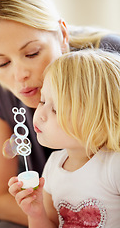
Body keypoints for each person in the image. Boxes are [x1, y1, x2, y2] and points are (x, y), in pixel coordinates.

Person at [0, 0, 120, 227]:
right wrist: (44, 214)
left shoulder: (109, 65)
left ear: (62, 35)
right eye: (2, 62)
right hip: (25, 179)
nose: (20, 75)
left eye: (32, 53)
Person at [9, 49, 120, 228]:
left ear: (99, 120)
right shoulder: (53, 165)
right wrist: (36, 214)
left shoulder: (113, 166)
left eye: (56, 110)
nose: (40, 115)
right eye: (43, 101)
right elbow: (52, 224)